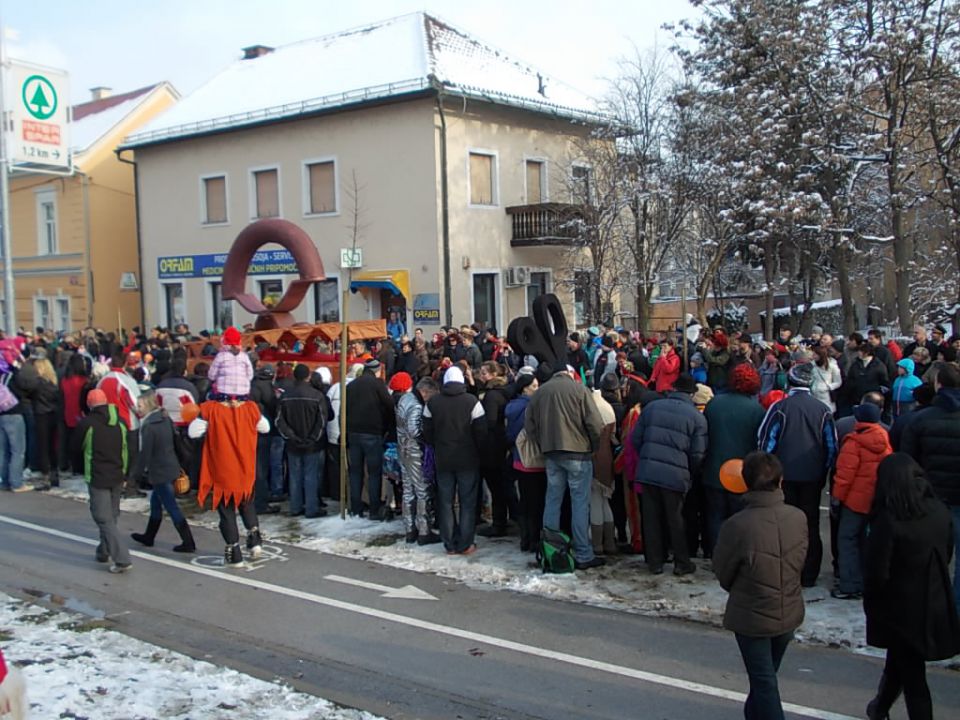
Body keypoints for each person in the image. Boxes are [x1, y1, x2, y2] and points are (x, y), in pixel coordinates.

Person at [863, 454, 960, 720]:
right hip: (933, 598)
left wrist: (873, 602)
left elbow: (877, 572)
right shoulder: (939, 510)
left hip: (901, 608)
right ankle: (879, 707)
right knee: (901, 663)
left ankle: (886, 709)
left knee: (914, 679)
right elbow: (947, 552)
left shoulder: (890, 519)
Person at [713, 451, 807, 720]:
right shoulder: (798, 517)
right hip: (788, 608)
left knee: (764, 682)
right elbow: (800, 560)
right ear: (780, 481)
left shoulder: (737, 525)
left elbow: (723, 572)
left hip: (751, 613)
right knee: (765, 678)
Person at [758, 362, 837, 587]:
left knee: (783, 523)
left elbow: (765, 442)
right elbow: (831, 446)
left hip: (784, 476)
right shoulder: (823, 410)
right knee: (809, 523)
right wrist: (823, 471)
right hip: (812, 476)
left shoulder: (780, 408)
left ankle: (785, 570)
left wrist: (770, 471)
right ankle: (809, 573)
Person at [524, 365, 605, 569]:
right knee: (579, 503)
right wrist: (594, 447)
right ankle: (583, 553)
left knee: (552, 499)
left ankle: (551, 550)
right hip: (578, 452)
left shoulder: (540, 393)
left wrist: (542, 444)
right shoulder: (580, 390)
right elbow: (595, 423)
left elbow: (529, 426)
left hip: (552, 453)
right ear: (569, 373)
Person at [632, 373, 708, 575]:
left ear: (673, 389)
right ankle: (682, 562)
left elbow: (635, 439)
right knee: (675, 519)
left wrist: (647, 456)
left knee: (651, 517)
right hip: (676, 474)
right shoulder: (697, 417)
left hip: (648, 470)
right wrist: (688, 472)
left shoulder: (652, 408)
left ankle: (655, 562)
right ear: (692, 394)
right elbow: (697, 453)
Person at [900, 362, 960, 614]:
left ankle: (930, 608)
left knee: (929, 556)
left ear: (938, 384)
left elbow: (906, 462)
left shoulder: (920, 419)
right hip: (951, 496)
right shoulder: (922, 419)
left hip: (929, 497)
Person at [188, 393, 270, 567]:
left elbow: (193, 432)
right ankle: (254, 540)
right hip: (245, 468)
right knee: (246, 503)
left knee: (227, 511)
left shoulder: (210, 409)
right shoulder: (251, 408)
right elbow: (265, 427)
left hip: (222, 469)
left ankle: (234, 553)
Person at [422, 366, 487, 555]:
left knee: (445, 502)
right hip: (468, 459)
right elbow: (481, 432)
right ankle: (466, 543)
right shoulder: (472, 402)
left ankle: (449, 543)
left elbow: (426, 432)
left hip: (443, 458)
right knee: (467, 502)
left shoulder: (433, 403)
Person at [830, 402, 891, 599]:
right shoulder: (884, 440)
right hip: (875, 500)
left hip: (855, 500)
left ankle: (849, 584)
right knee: (867, 541)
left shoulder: (854, 442)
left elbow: (844, 476)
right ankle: (867, 580)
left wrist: (836, 499)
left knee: (847, 540)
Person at [702, 363, 766, 550]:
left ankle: (717, 554)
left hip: (714, 469)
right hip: (742, 473)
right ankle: (736, 554)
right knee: (739, 518)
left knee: (715, 516)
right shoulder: (757, 410)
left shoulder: (714, 404)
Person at [128, 389, 196, 553]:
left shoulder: (149, 427)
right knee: (156, 504)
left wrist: (135, 476)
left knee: (171, 507)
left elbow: (145, 454)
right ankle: (149, 536)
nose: (138, 408)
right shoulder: (165, 419)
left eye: (140, 405)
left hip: (159, 472)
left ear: (149, 405)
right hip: (170, 466)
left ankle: (188, 541)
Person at [75, 389, 132, 573]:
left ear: (89, 404)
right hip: (117, 475)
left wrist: (78, 467)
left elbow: (76, 448)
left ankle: (122, 558)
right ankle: (103, 550)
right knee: (111, 516)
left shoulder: (87, 424)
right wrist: (126, 474)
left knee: (102, 517)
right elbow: (127, 449)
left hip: (98, 476)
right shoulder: (121, 423)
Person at [276, 363, 330, 519]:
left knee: (295, 475)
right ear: (308, 377)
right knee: (310, 475)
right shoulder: (316, 396)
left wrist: (291, 436)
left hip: (294, 443)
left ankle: (296, 506)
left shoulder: (286, 396)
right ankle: (311, 508)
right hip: (310, 443)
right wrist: (312, 438)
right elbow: (322, 421)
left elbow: (280, 421)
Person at [345, 358, 394, 520]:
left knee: (355, 471)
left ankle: (355, 508)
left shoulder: (350, 386)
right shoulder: (378, 385)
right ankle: (374, 508)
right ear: (377, 370)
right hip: (373, 433)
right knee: (374, 472)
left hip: (353, 432)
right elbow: (389, 405)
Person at [396, 376, 440, 545]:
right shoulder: (415, 405)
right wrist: (427, 439)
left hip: (403, 449)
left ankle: (409, 528)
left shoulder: (405, 398)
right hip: (414, 451)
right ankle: (424, 530)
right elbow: (414, 430)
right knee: (422, 490)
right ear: (424, 391)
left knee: (408, 490)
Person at [477, 362, 519, 538]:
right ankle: (512, 517)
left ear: (494, 375)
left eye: (484, 373)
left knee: (496, 486)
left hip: (493, 446)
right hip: (504, 444)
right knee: (503, 485)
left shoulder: (492, 396)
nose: (481, 375)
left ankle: (499, 523)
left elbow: (491, 423)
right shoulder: (506, 391)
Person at [505, 373, 545, 552]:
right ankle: (534, 538)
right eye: (535, 386)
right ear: (525, 388)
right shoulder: (532, 407)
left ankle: (525, 538)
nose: (537, 389)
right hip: (534, 460)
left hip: (518, 459)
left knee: (525, 500)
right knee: (536, 502)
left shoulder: (511, 406)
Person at [30, 358, 61, 489]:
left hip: (41, 415)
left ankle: (46, 476)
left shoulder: (37, 384)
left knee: (43, 447)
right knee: (52, 447)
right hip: (53, 415)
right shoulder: (54, 383)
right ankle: (54, 473)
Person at [59, 354, 90, 475]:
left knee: (67, 441)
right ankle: (79, 467)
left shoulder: (64, 381)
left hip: (67, 413)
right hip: (80, 414)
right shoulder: (84, 381)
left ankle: (67, 464)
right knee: (81, 442)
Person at [207, 326, 253, 398]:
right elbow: (250, 376)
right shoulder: (244, 356)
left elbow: (211, 376)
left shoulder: (221, 356)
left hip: (223, 393)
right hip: (243, 394)